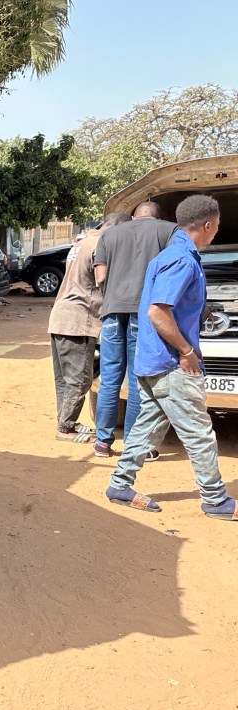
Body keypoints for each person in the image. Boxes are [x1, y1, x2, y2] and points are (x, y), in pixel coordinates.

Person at [105, 195, 235, 519]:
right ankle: (216, 501)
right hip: (171, 364)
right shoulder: (181, 259)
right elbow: (157, 312)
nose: (216, 232)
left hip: (152, 361)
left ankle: (120, 485)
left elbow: (167, 304)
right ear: (207, 226)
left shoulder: (170, 255)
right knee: (199, 432)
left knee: (147, 428)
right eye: (216, 226)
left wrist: (200, 312)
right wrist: (187, 351)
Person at [91, 201, 177, 459]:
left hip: (112, 312)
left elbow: (101, 278)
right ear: (158, 216)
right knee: (139, 380)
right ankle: (133, 443)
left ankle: (102, 443)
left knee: (109, 379)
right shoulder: (170, 231)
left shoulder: (108, 235)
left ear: (133, 216)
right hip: (145, 312)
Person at [49, 212, 131, 443]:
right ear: (115, 228)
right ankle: (65, 428)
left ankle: (66, 422)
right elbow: (102, 279)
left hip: (61, 315)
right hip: (79, 318)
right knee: (81, 377)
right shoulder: (102, 244)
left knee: (64, 378)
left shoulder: (84, 241)